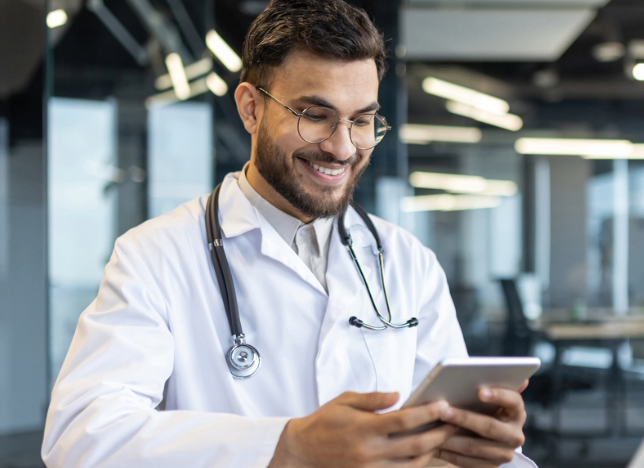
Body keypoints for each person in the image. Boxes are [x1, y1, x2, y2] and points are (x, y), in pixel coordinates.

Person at [42, 1, 535, 467]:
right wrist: (287, 446)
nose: (342, 148)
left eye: (362, 120)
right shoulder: (156, 256)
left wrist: (482, 446)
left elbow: (438, 429)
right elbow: (82, 439)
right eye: (315, 116)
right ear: (251, 108)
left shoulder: (407, 260)